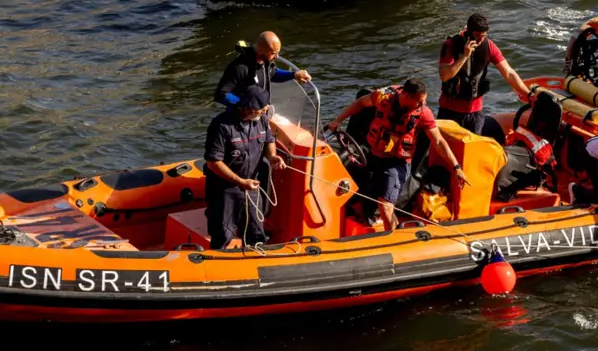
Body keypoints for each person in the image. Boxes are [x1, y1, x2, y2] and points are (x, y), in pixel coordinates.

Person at [327, 78, 467, 230]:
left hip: (397, 162)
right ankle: (370, 220)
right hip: (373, 154)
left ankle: (391, 238)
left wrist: (456, 166)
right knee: (348, 187)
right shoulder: (383, 97)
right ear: (406, 96)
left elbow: (438, 141)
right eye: (419, 101)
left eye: (423, 101)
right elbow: (360, 103)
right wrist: (338, 120)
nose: (422, 105)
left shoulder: (424, 113)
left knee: (385, 206)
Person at [203, 85, 287, 250]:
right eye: (262, 110)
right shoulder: (221, 126)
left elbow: (269, 139)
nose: (265, 112)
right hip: (225, 189)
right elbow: (214, 162)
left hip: (251, 186)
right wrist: (239, 181)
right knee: (223, 232)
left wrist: (272, 156)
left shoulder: (262, 120)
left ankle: (255, 260)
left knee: (256, 231)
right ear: (250, 109)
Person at [438, 13, 532, 144]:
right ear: (467, 32)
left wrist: (529, 94)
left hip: (475, 112)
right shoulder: (451, 45)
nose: (479, 40)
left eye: (483, 36)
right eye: (476, 36)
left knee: (474, 151)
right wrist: (464, 56)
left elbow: (509, 73)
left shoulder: (489, 46)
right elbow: (444, 75)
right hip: (450, 111)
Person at [214, 31, 311, 108]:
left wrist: (293, 75)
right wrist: (249, 106)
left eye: (278, 53)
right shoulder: (239, 67)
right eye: (273, 53)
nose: (276, 57)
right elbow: (221, 94)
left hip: (260, 114)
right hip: (242, 117)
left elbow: (273, 74)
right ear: (260, 50)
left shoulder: (265, 62)